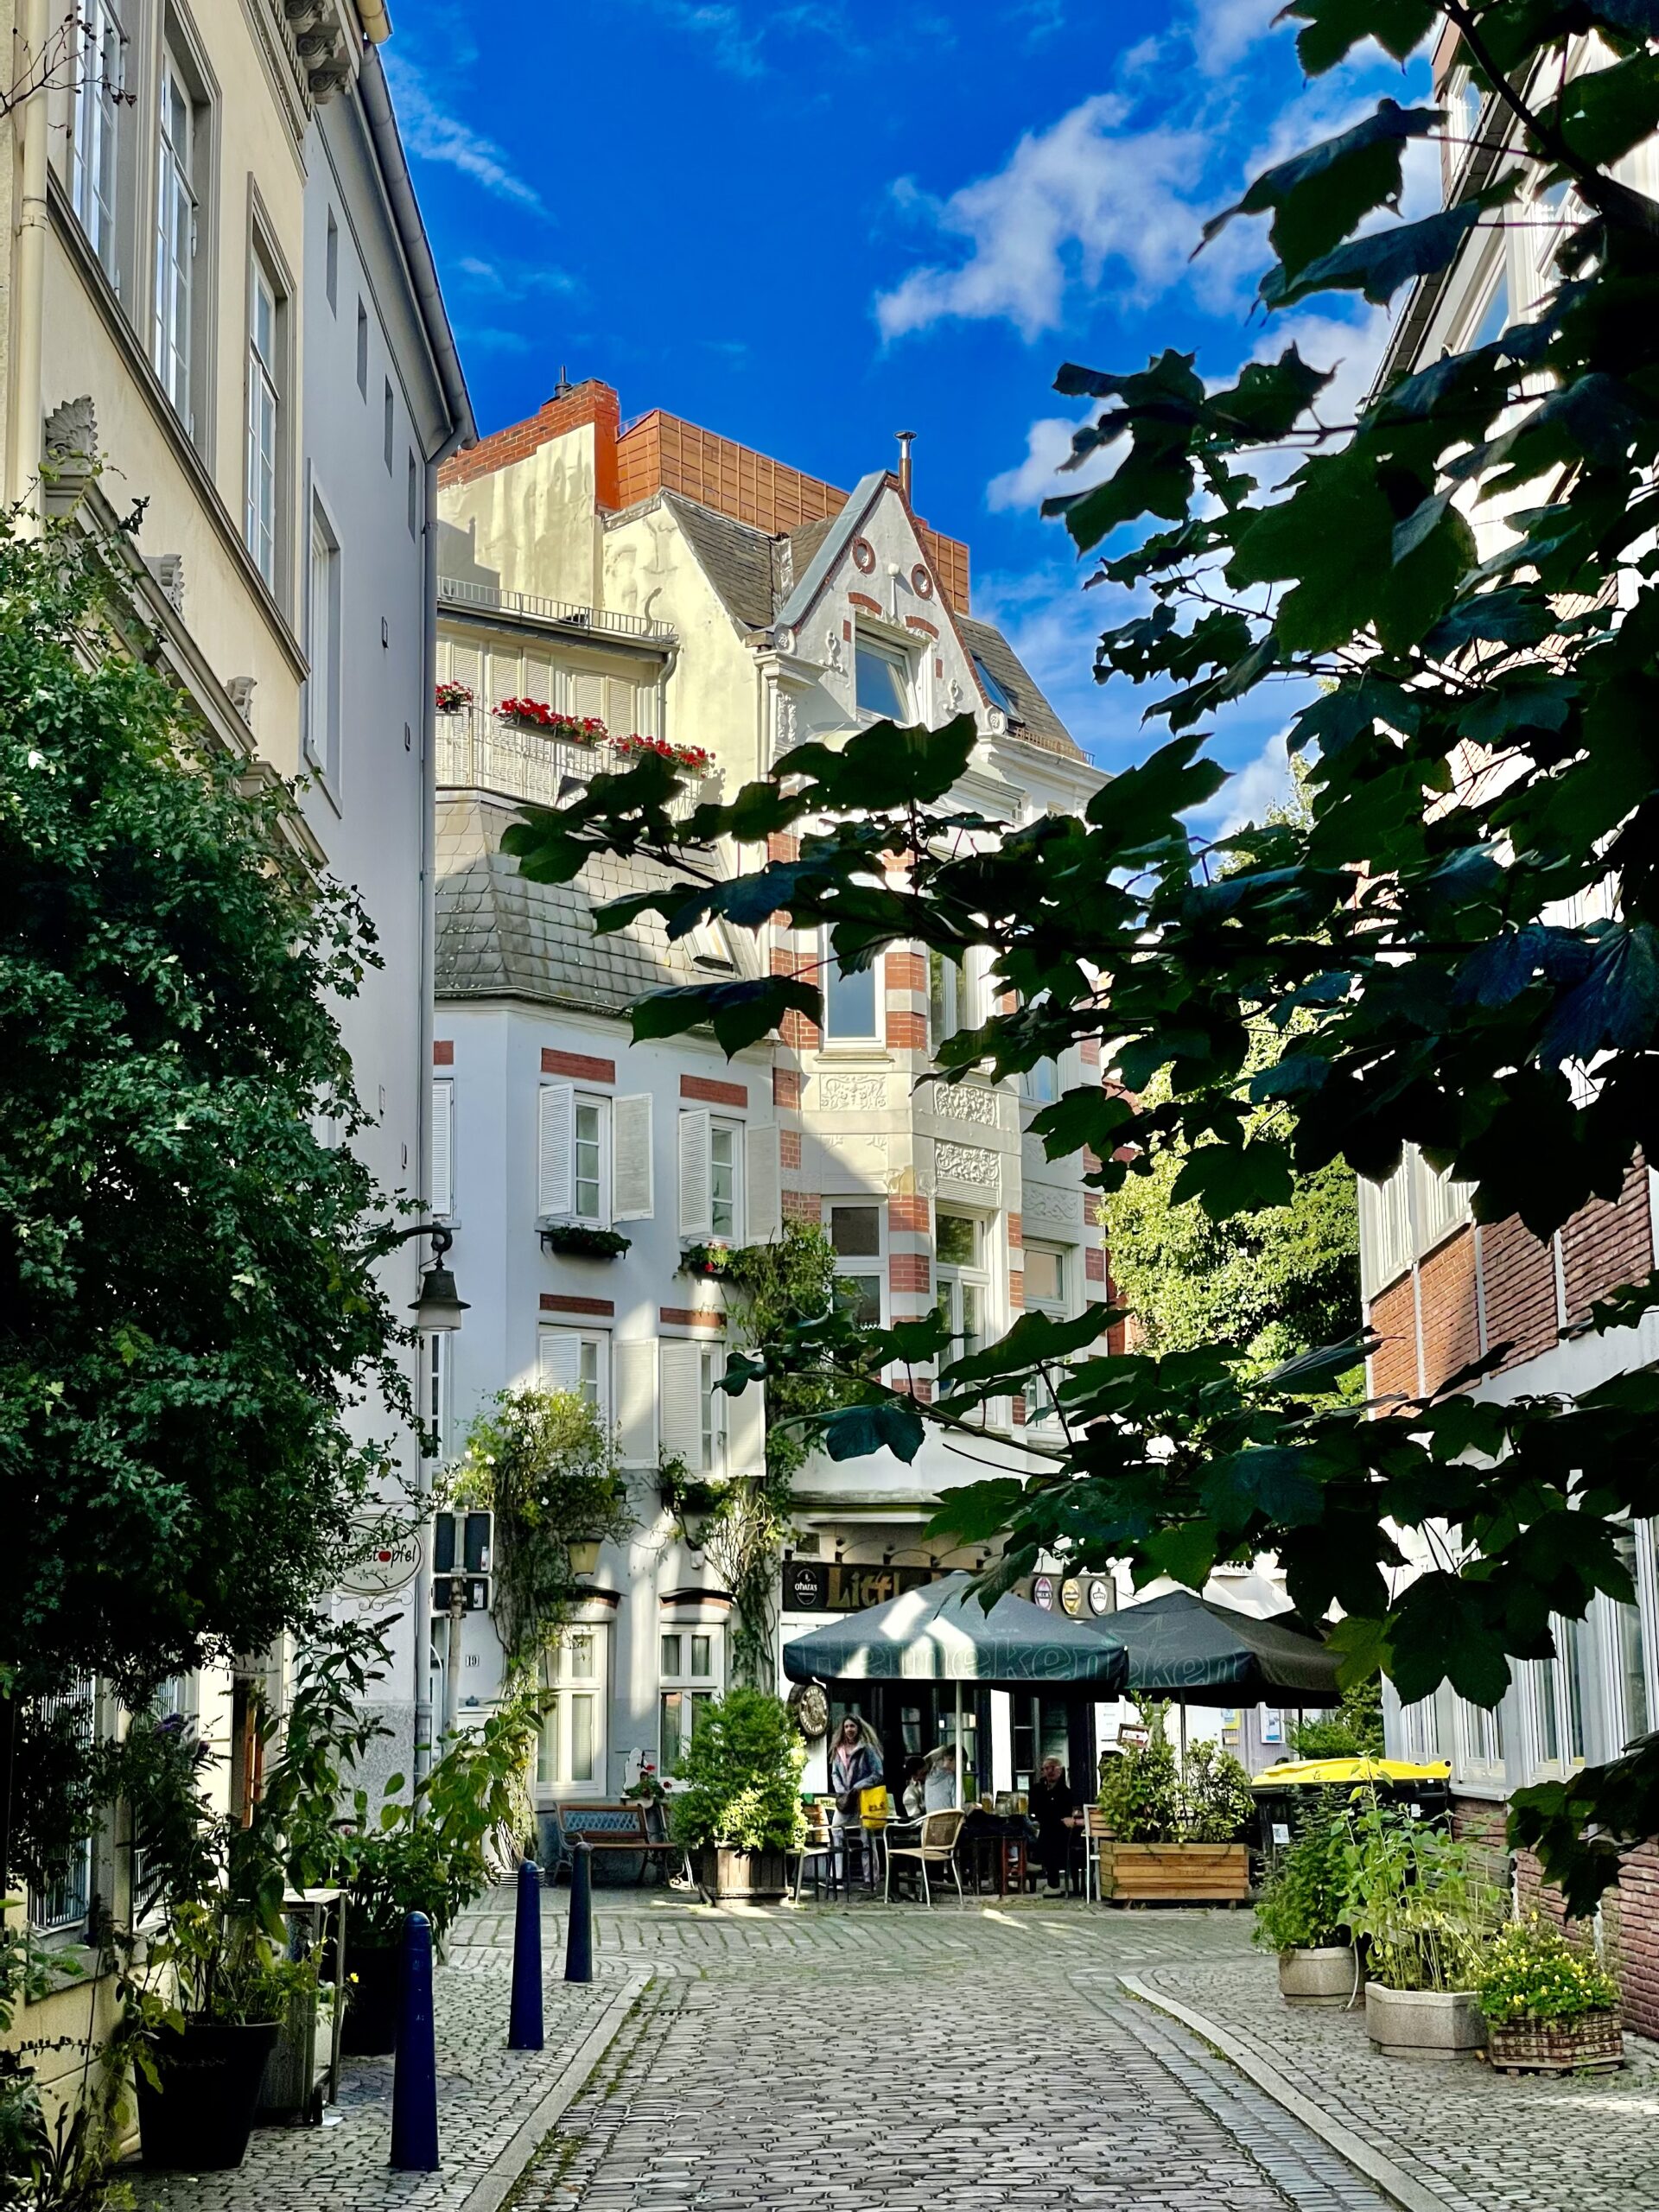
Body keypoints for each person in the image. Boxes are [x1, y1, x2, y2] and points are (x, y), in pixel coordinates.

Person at [829, 1715, 882, 1883]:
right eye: (846, 1727)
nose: (849, 1729)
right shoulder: (839, 1750)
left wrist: (860, 1785)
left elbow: (878, 1773)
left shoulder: (867, 1749)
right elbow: (835, 1773)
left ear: (858, 1728)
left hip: (863, 1799)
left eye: (852, 1726)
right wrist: (841, 1791)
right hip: (845, 1800)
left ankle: (870, 1879)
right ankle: (836, 1877)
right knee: (836, 1830)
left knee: (866, 1838)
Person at [1029, 1755, 1081, 1897]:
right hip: (1039, 1826)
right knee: (1021, 1822)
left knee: (1050, 1833)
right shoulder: (1037, 1789)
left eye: (1052, 1767)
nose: (1049, 1771)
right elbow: (1034, 1811)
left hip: (1056, 1831)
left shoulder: (1066, 1792)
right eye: (1045, 1768)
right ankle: (1029, 1863)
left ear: (1060, 1770)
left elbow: (1063, 1815)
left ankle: (1038, 1864)